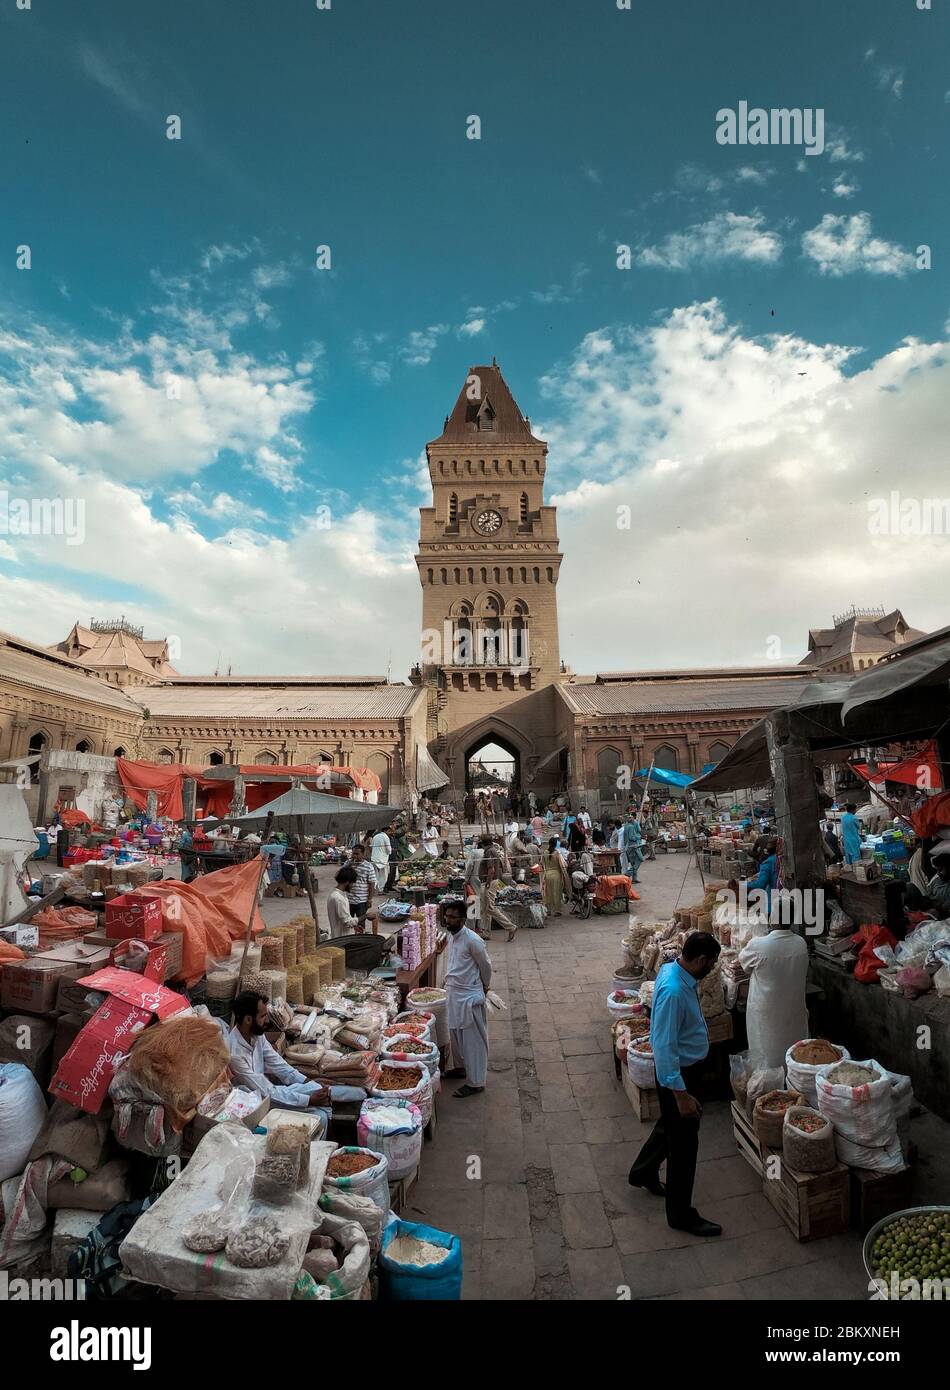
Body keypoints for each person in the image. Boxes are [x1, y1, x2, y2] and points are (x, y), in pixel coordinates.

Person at [628, 933, 723, 1238]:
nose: (711, 969)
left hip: (685, 1070)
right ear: (700, 961)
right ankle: (680, 1214)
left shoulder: (674, 968)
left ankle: (643, 1171)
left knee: (670, 1128)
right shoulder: (671, 991)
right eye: (710, 964)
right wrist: (681, 1095)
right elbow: (664, 1048)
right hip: (679, 1074)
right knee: (684, 1145)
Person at [228, 990, 332, 1126]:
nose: (267, 1020)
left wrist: (307, 1081)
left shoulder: (256, 1035)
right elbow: (266, 1091)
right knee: (320, 1116)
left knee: (320, 1092)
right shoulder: (234, 1053)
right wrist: (308, 1100)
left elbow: (279, 1065)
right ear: (248, 1019)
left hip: (270, 1092)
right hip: (256, 1106)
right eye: (263, 1016)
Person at [738, 916, 809, 1069]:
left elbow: (744, 964)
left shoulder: (758, 944)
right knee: (793, 1051)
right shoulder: (800, 943)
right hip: (793, 1009)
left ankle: (768, 1082)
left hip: (766, 1013)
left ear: (773, 919)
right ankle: (790, 1080)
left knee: (766, 1052)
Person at [438, 899, 492, 1098]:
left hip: (469, 996)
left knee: (473, 1041)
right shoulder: (452, 937)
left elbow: (485, 966)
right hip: (454, 994)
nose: (447, 919)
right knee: (456, 1036)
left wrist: (485, 986)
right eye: (446, 915)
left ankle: (476, 1082)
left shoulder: (473, 940)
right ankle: (460, 1068)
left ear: (462, 919)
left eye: (452, 917)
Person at [743, 838, 779, 915]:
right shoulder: (780, 858)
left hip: (773, 900)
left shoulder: (768, 862)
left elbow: (760, 884)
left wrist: (744, 884)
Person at [327, 865, 364, 936]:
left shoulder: (339, 894)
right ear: (347, 882)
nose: (352, 886)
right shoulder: (338, 898)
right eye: (352, 883)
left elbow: (345, 918)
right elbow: (348, 922)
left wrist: (354, 926)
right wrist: (365, 916)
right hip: (341, 938)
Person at [346, 842, 376, 926]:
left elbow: (372, 883)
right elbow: (341, 875)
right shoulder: (348, 863)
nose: (355, 856)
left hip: (362, 901)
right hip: (349, 900)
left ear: (363, 854)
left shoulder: (368, 866)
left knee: (360, 924)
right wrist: (349, 864)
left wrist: (369, 899)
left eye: (357, 854)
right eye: (353, 854)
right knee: (348, 923)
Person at [542, 836, 569, 917]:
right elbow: (563, 864)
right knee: (557, 893)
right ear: (556, 844)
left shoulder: (545, 852)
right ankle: (557, 910)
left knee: (548, 893)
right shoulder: (557, 853)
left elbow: (542, 863)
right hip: (556, 874)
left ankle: (548, 910)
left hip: (547, 874)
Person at [370, 824, 393, 892]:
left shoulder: (375, 836)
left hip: (374, 858)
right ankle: (380, 890)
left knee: (375, 875)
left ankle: (374, 889)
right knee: (384, 876)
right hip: (382, 860)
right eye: (389, 831)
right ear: (386, 831)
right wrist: (391, 851)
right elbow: (389, 850)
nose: (390, 833)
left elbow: (372, 847)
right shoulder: (385, 837)